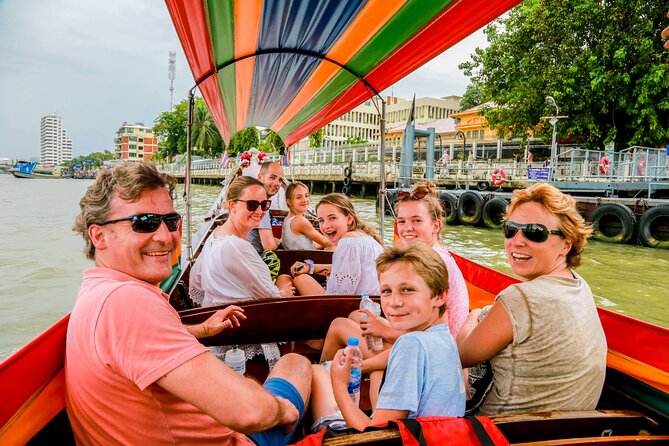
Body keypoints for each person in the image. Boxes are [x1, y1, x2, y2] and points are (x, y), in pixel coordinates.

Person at [67, 162, 312, 445]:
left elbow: (140, 340)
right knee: (299, 363)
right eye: (144, 223)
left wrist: (202, 330)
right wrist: (282, 409)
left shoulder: (99, 291)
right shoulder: (126, 302)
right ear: (99, 235)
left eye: (170, 222)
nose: (165, 236)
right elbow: (249, 412)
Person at [456, 183, 607, 415]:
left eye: (535, 232)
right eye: (510, 229)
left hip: (505, 431)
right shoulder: (578, 285)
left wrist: (474, 315)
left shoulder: (519, 298)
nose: (516, 241)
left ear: (566, 245)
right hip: (568, 432)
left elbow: (462, 354)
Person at [310, 244, 466, 432]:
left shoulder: (411, 344)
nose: (393, 302)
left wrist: (339, 385)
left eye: (407, 290)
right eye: (386, 291)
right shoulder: (445, 338)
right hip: (438, 435)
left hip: (391, 438)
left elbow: (375, 435)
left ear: (440, 296)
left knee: (317, 372)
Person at [189, 176, 295, 307]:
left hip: (217, 311)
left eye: (264, 205)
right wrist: (283, 293)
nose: (259, 211)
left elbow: (196, 281)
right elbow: (270, 297)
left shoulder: (216, 234)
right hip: (241, 320)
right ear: (232, 205)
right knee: (287, 279)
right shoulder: (234, 246)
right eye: (252, 205)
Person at [290, 193, 384, 296]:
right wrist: (310, 267)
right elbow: (348, 268)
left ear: (349, 219)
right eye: (321, 220)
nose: (325, 226)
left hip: (359, 306)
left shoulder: (349, 241)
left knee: (301, 279)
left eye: (332, 218)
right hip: (374, 301)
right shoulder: (364, 237)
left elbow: (338, 295)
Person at [247, 161, 285, 254]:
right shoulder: (260, 204)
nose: (277, 183)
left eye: (280, 180)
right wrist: (280, 241)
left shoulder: (253, 198)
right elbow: (269, 247)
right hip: (254, 257)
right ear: (260, 177)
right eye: (272, 177)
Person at [282, 181, 332, 250]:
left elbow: (308, 245)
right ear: (289, 201)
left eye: (306, 196)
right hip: (306, 259)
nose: (305, 200)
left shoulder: (287, 219)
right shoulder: (299, 221)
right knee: (332, 247)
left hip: (296, 256)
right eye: (299, 197)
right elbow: (326, 243)